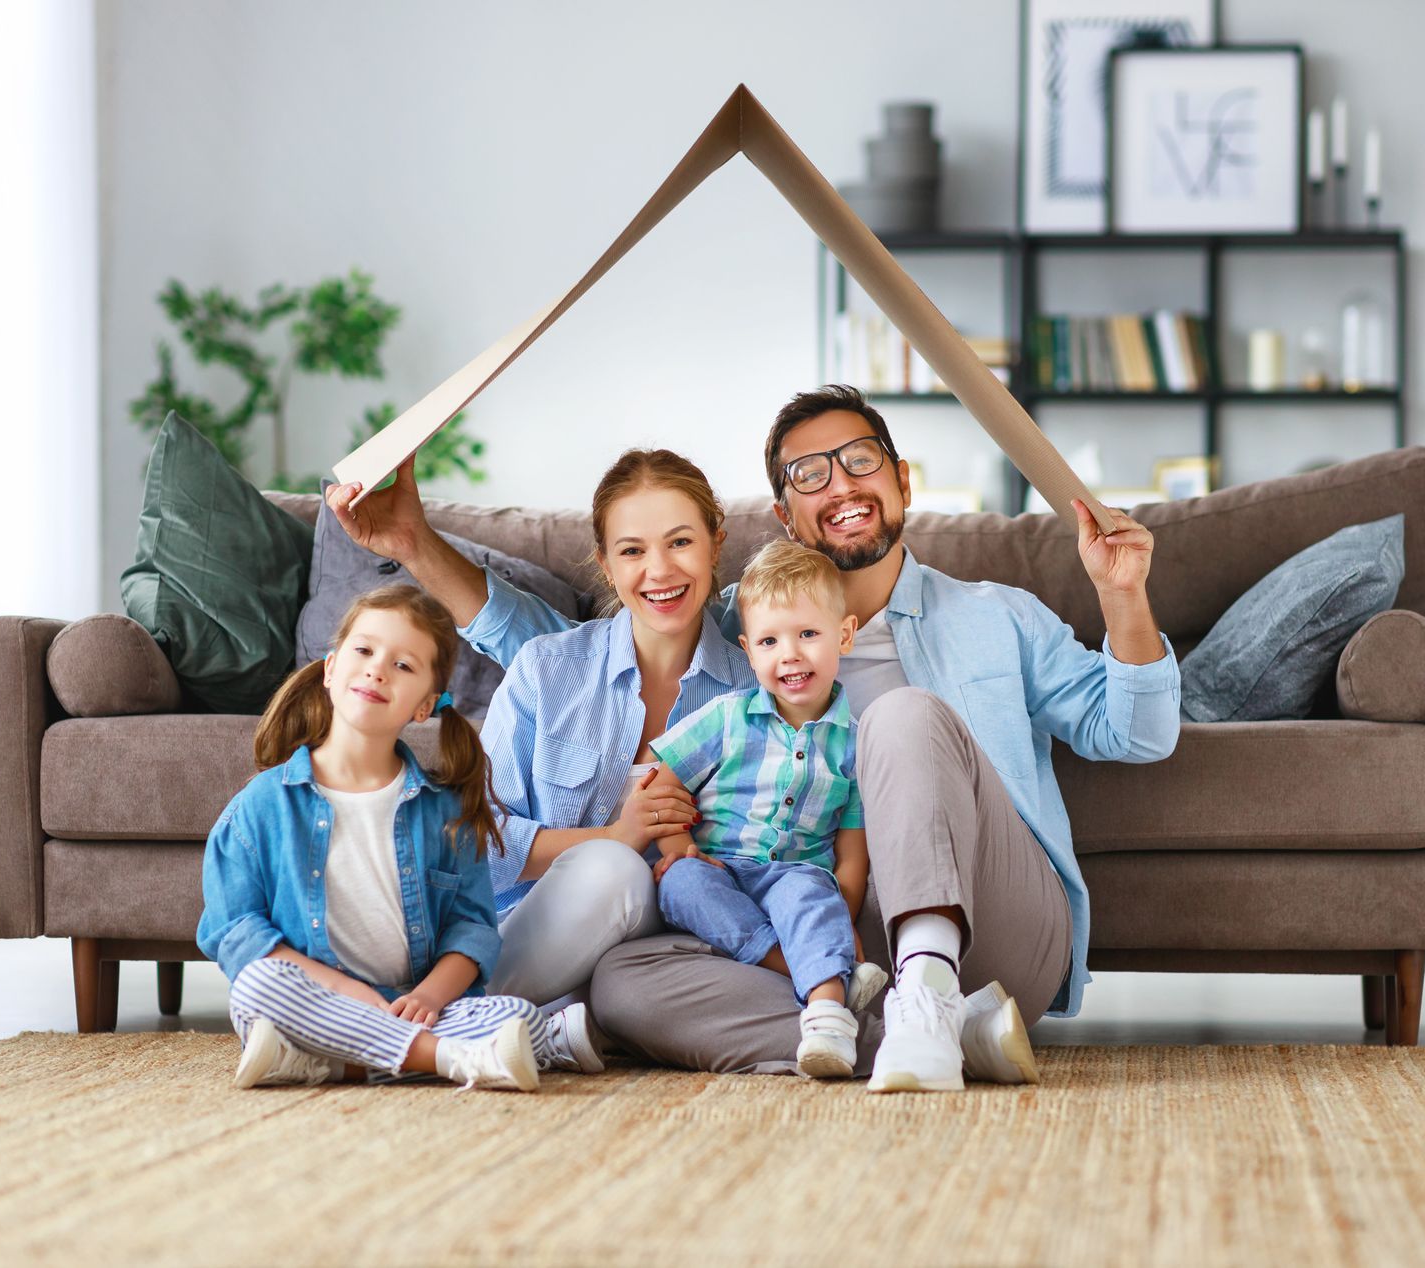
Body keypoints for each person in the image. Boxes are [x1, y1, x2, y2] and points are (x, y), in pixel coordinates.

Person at [330, 385, 1180, 1089]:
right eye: (811, 474)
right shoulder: (747, 630)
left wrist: (1123, 597)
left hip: (993, 927)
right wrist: (412, 543)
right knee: (625, 983)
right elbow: (575, 652)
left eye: (859, 460)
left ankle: (934, 992)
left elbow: (1135, 735)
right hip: (817, 940)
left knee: (900, 717)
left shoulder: (997, 617)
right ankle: (922, 1034)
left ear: (902, 480)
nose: (840, 483)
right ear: (783, 513)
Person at [327, 449, 759, 1068]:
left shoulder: (753, 692)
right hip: (529, 933)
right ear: (606, 565)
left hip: (660, 955)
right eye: (632, 550)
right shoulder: (548, 667)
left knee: (616, 978)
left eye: (681, 542)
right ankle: (440, 1030)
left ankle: (395, 1036)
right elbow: (482, 841)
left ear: (716, 544)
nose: (659, 569)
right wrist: (614, 835)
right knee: (613, 869)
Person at [198, 584, 573, 1092]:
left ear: (423, 706)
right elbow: (233, 930)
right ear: (330, 669)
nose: (378, 668)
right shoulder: (261, 805)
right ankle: (449, 1060)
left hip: (410, 1004)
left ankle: (326, 1064)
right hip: (312, 1001)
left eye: (404, 665)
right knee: (258, 988)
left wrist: (433, 997)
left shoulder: (445, 810)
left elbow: (473, 928)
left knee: (518, 1018)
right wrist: (344, 990)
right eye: (365, 650)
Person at [647, 541, 891, 1079]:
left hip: (795, 875)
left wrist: (838, 908)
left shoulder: (855, 743)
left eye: (808, 634)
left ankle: (827, 1017)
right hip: (721, 870)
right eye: (769, 641)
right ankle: (820, 971)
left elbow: (852, 851)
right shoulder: (726, 718)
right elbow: (660, 782)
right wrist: (679, 851)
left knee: (812, 894)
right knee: (679, 884)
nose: (790, 654)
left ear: (844, 635)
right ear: (748, 650)